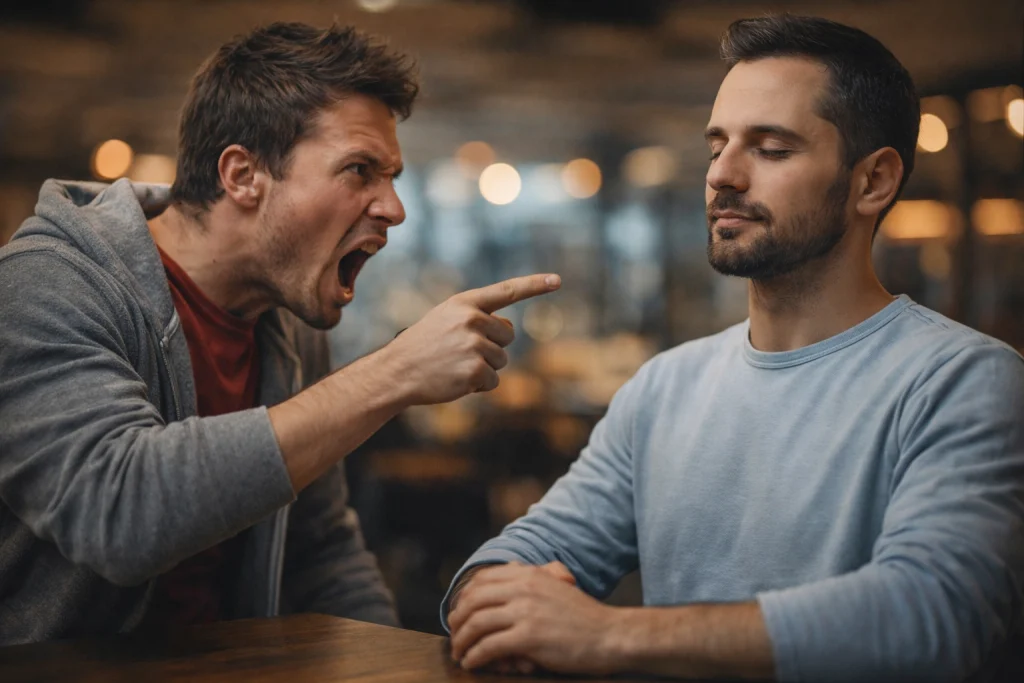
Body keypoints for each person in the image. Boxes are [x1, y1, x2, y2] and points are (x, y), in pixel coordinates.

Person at [443, 14, 1024, 682]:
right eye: (717, 145)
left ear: (873, 182)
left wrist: (607, 633)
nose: (723, 175)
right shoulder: (665, 387)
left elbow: (931, 616)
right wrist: (491, 598)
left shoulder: (966, 380)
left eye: (770, 149)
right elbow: (512, 556)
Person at [0, 22, 560, 644]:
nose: (394, 209)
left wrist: (402, 661)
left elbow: (319, 549)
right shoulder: (48, 284)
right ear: (242, 176)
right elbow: (119, 512)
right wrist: (394, 372)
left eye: (393, 177)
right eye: (359, 170)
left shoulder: (289, 321)